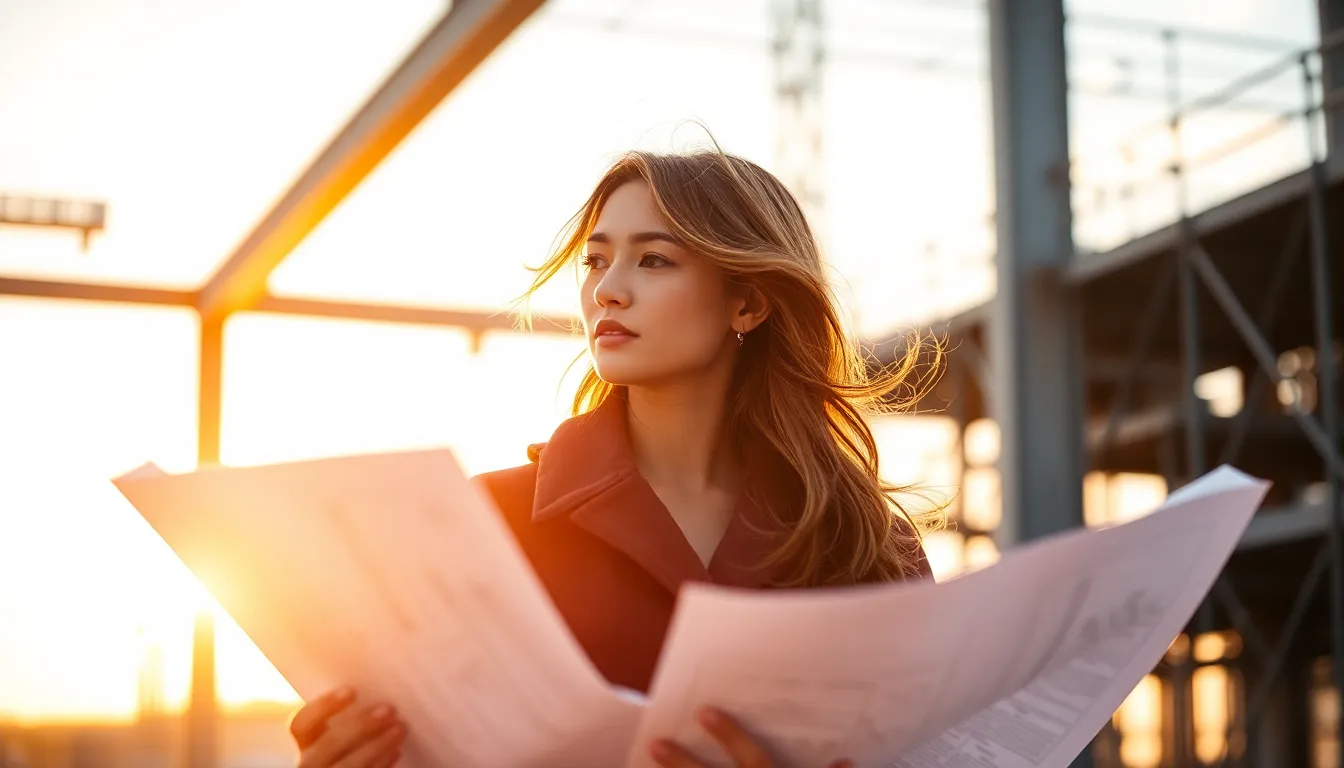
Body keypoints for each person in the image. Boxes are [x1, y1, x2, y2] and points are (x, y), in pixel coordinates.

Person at [288, 147, 940, 768]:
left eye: (653, 261)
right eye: (596, 262)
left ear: (747, 302)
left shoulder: (869, 548)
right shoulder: (486, 522)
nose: (608, 291)